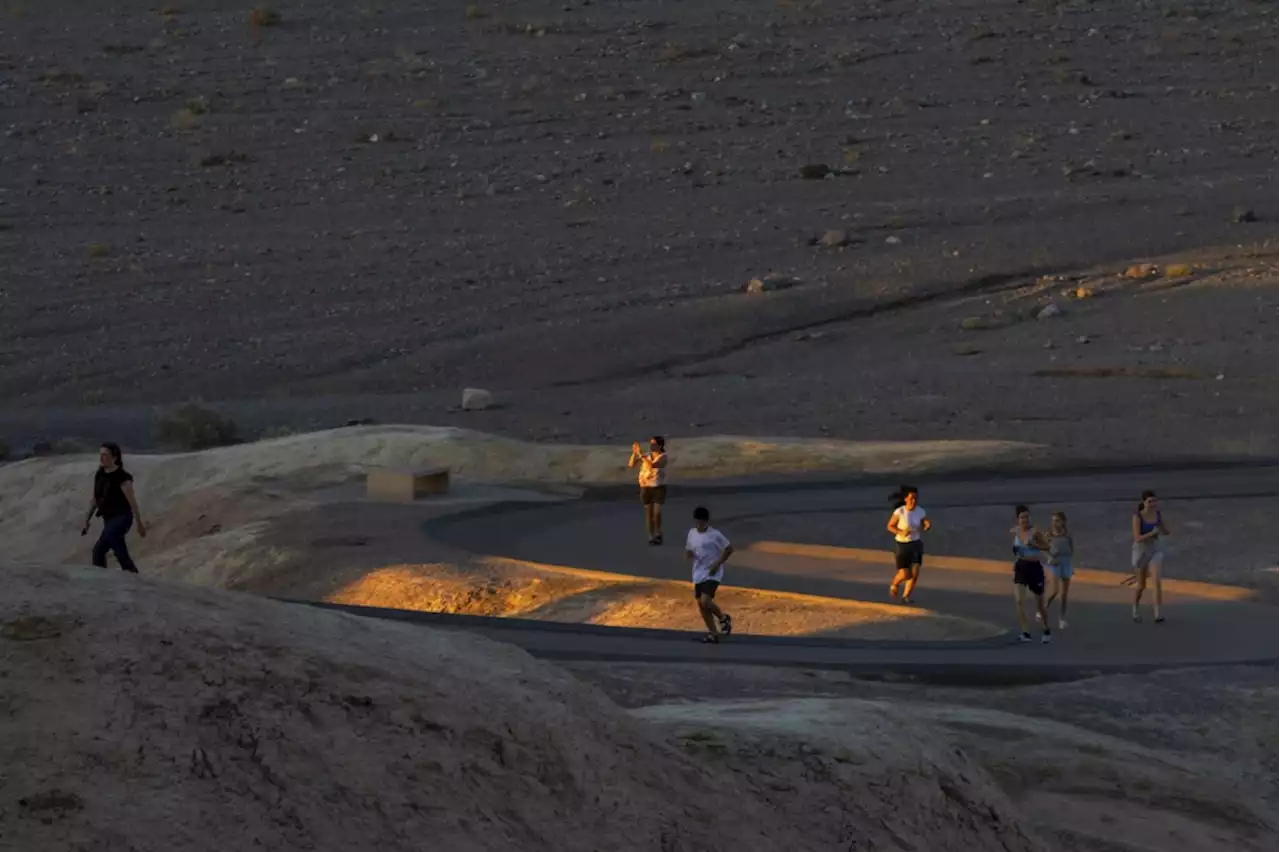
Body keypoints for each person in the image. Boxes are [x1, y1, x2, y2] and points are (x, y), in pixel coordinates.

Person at [80, 442, 147, 573]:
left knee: (105, 545)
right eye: (100, 455)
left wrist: (139, 524)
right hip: (109, 519)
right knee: (105, 550)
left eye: (105, 455)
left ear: (114, 458)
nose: (101, 458)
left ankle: (128, 574)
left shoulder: (122, 477)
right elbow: (95, 499)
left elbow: (132, 502)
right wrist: (86, 520)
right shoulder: (99, 475)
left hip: (122, 517)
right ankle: (129, 574)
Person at [685, 506, 733, 644]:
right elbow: (689, 550)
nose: (700, 524)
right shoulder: (692, 533)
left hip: (713, 572)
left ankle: (723, 618)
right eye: (698, 521)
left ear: (706, 521)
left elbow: (729, 549)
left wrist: (718, 564)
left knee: (706, 601)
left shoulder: (715, 534)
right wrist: (688, 554)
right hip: (698, 573)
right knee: (701, 605)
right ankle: (713, 633)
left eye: (702, 522)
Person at [1011, 504, 1052, 644]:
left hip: (1034, 568)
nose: (1025, 520)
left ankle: (1046, 629)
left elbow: (1047, 547)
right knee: (1019, 601)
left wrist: (1036, 546)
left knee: (1039, 604)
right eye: (1022, 517)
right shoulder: (1015, 532)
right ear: (1017, 519)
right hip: (1021, 567)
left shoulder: (1035, 532)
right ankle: (1025, 632)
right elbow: (1016, 550)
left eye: (1027, 517)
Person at [886, 485, 931, 604]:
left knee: (915, 573)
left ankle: (906, 597)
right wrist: (901, 532)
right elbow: (890, 526)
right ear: (905, 499)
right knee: (905, 574)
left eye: (916, 498)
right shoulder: (900, 511)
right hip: (902, 544)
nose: (914, 501)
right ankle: (894, 584)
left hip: (916, 543)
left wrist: (927, 525)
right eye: (911, 498)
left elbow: (924, 521)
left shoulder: (920, 511)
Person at [1131, 490, 1170, 624]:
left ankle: (1157, 614)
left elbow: (1164, 530)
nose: (1153, 504)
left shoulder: (1158, 514)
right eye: (1150, 501)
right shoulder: (1138, 517)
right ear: (1144, 502)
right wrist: (1151, 533)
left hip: (1155, 549)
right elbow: (1137, 538)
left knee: (1157, 580)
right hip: (1141, 550)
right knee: (1142, 585)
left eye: (1155, 501)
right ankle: (1135, 607)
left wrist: (1164, 531)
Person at [628, 435, 668, 545]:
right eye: (651, 444)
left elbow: (653, 465)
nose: (651, 446)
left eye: (654, 444)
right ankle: (651, 536)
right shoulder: (646, 455)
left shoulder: (663, 456)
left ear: (660, 445)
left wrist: (641, 455)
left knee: (657, 513)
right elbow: (631, 464)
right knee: (648, 513)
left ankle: (658, 533)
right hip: (645, 487)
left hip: (658, 487)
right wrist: (635, 453)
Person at [1043, 511, 1074, 630]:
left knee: (1064, 594)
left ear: (1063, 522)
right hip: (1054, 563)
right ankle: (1044, 607)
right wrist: (1050, 557)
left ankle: (1061, 618)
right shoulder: (1049, 534)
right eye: (1053, 520)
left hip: (1066, 563)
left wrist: (1069, 561)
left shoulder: (1068, 534)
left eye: (1057, 520)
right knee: (1055, 591)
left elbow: (1071, 548)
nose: (1054, 523)